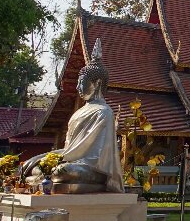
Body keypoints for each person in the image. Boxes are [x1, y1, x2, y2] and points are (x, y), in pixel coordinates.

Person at [22, 39, 123, 193]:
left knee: (65, 171)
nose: (77, 87)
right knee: (36, 167)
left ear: (97, 83)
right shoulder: (79, 112)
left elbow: (97, 156)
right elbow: (69, 149)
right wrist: (50, 158)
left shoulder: (104, 112)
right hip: (70, 160)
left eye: (81, 82)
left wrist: (62, 161)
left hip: (91, 167)